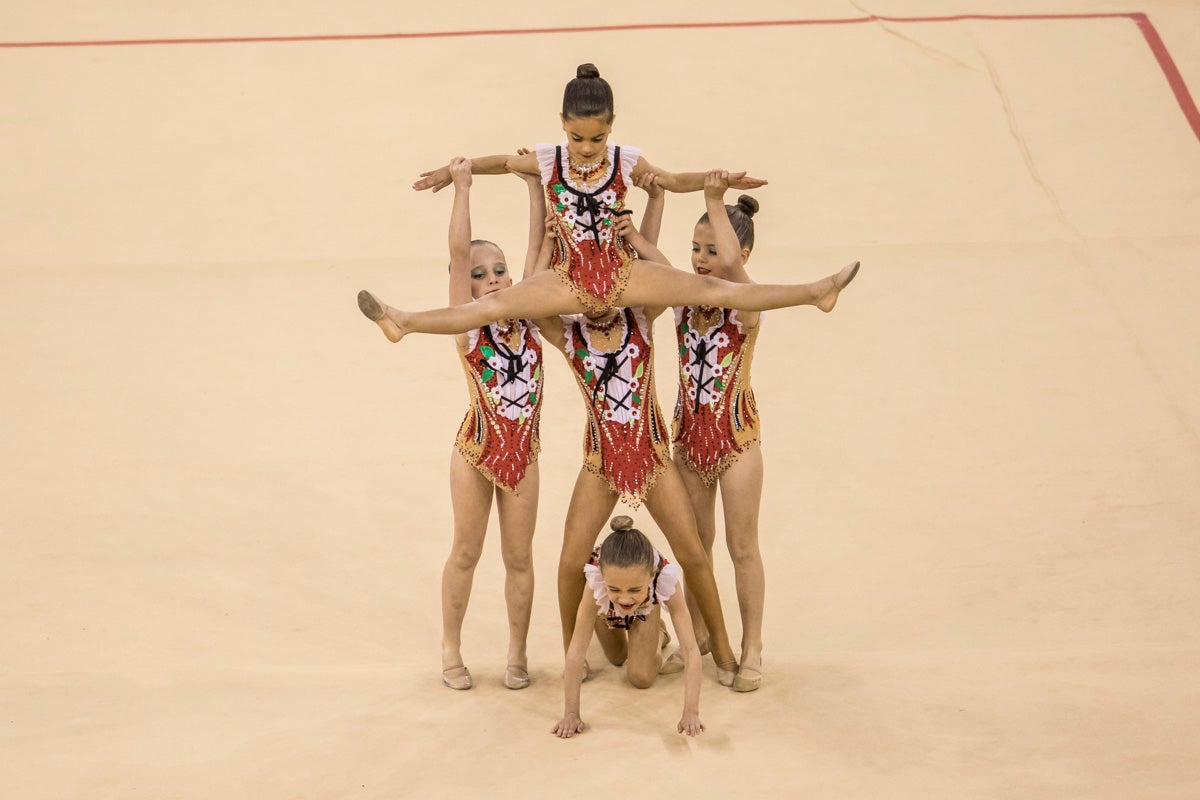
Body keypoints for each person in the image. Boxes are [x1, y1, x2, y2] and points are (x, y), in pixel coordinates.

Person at [357, 63, 859, 342]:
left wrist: (717, 180)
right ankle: (402, 321)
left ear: (611, 126)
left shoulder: (624, 159)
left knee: (717, 290)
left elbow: (671, 179)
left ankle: (815, 292)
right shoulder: (550, 158)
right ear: (562, 124)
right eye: (576, 137)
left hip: (623, 274)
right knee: (489, 306)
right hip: (568, 278)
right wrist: (454, 171)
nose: (586, 147)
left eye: (596, 138)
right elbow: (501, 163)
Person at [526, 178, 742, 685]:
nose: (598, 294)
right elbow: (528, 300)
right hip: (601, 461)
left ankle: (725, 652)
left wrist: (651, 210)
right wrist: (548, 244)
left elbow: (665, 279)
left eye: (608, 282)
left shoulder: (642, 316)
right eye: (584, 285)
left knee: (693, 554)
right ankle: (577, 654)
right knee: (569, 562)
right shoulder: (568, 333)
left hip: (651, 455)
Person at [437, 156, 545, 691]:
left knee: (519, 557)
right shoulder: (468, 325)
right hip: (476, 450)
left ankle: (517, 653)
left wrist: (534, 187)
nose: (492, 279)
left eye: (499, 270)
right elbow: (459, 255)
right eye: (479, 277)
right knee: (466, 551)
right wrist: (463, 186)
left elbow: (538, 249)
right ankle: (450, 648)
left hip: (523, 454)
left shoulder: (530, 314)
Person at [660, 171, 770, 692]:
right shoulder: (684, 296)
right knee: (695, 546)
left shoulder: (749, 303)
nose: (702, 259)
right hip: (688, 440)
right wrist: (640, 217)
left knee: (741, 546)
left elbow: (735, 277)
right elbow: (651, 264)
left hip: (736, 438)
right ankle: (701, 633)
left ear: (740, 254)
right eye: (696, 248)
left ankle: (752, 646)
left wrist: (713, 199)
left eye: (713, 250)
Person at [552, 516, 706, 739]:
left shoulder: (664, 577)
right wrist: (571, 714)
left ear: (651, 574)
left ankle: (657, 632)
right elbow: (576, 648)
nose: (624, 598)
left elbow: (691, 650)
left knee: (641, 678)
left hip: (645, 610)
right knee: (616, 657)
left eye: (634, 589)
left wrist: (691, 712)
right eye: (615, 589)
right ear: (602, 576)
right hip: (609, 608)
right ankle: (622, 611)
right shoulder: (596, 581)